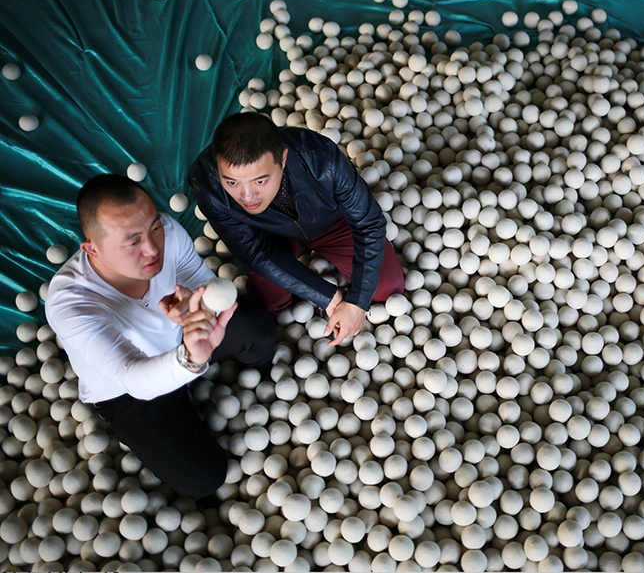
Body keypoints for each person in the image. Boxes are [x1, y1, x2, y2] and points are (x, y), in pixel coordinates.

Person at [45, 174, 276, 499]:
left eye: (153, 226)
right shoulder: (70, 302)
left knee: (259, 327)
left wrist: (201, 308)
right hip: (128, 391)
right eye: (132, 241)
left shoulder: (166, 231)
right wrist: (191, 357)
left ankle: (264, 373)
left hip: (184, 338)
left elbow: (198, 276)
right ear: (91, 249)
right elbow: (131, 376)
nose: (152, 248)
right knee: (204, 481)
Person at [188, 112, 405, 346]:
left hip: (331, 223)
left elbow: (369, 223)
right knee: (268, 296)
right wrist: (329, 298)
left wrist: (358, 302)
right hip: (269, 234)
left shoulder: (320, 157)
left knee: (387, 287)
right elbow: (255, 252)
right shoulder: (208, 183)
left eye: (260, 181)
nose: (247, 196)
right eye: (232, 182)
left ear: (282, 159)